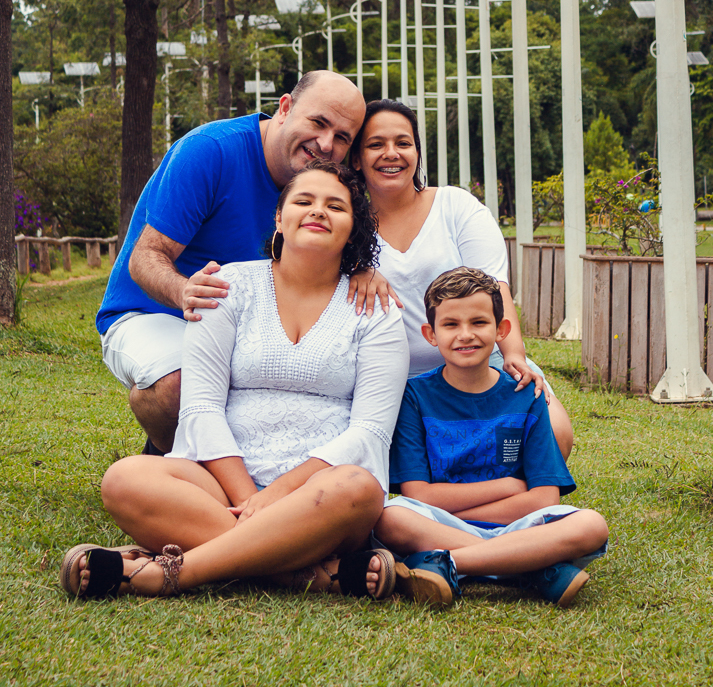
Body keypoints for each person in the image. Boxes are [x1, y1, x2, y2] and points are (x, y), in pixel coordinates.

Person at [62, 161, 419, 601]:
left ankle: (171, 572)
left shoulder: (377, 308)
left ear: (353, 227)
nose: (318, 211)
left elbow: (370, 430)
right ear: (278, 218)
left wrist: (282, 494)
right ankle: (308, 575)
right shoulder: (228, 285)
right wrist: (250, 497)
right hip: (223, 484)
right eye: (304, 201)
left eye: (336, 206)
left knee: (360, 488)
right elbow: (200, 407)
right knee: (124, 479)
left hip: (319, 493)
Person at [96, 71, 394, 454]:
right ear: (285, 108)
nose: (325, 144)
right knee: (180, 383)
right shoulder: (210, 151)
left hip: (242, 322)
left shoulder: (330, 180)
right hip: (155, 311)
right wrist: (184, 290)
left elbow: (351, 232)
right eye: (318, 123)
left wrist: (362, 268)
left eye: (341, 137)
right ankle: (171, 458)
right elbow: (145, 258)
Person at [350, 99, 574, 458]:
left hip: (481, 363)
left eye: (403, 143)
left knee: (553, 435)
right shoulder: (346, 225)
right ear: (357, 158)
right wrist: (357, 264)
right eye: (376, 144)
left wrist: (514, 354)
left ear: (417, 153)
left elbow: (495, 287)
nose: (391, 154)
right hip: (394, 384)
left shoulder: (456, 206)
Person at [373, 267, 608, 608]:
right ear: (430, 334)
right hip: (441, 523)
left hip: (517, 525)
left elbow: (544, 500)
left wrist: (470, 505)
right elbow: (418, 494)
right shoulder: (414, 396)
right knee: (390, 517)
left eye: (478, 323)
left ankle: (448, 563)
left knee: (591, 525)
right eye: (451, 325)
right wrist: (509, 487)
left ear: (501, 330)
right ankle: (529, 565)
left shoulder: (526, 395)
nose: (465, 335)